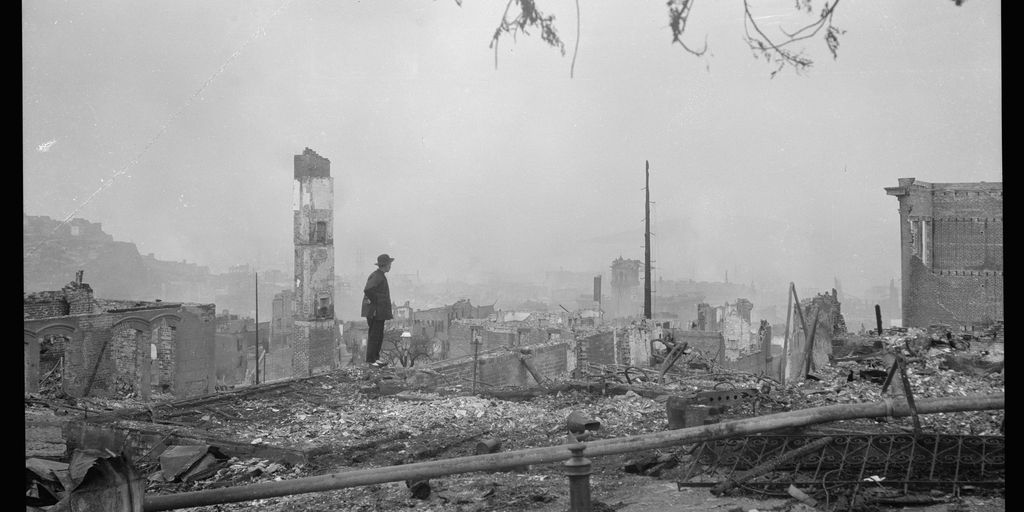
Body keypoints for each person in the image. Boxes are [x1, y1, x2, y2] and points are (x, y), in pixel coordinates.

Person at [362, 253, 395, 368]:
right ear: (385, 265)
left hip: (378, 312)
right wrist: (377, 301)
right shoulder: (377, 276)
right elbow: (368, 289)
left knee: (378, 335)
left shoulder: (379, 275)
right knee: (375, 335)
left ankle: (375, 358)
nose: (390, 266)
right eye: (389, 264)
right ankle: (371, 360)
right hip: (375, 312)